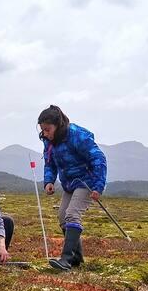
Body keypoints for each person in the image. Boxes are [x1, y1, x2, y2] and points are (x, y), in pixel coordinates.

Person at [38, 105, 107, 270]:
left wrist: (98, 186)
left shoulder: (77, 136)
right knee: (62, 216)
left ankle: (66, 260)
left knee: (72, 214)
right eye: (43, 130)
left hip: (86, 182)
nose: (45, 133)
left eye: (47, 129)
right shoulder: (49, 141)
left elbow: (99, 158)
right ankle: (77, 259)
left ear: (58, 125)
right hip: (69, 184)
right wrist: (49, 181)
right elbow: (50, 163)